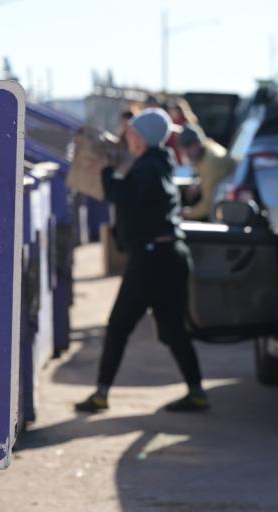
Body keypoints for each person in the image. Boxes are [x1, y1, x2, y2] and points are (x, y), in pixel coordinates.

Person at [75, 108, 208, 414]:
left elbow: (123, 195)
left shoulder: (148, 168)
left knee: (119, 325)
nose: (128, 137)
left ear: (143, 138)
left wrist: (107, 171)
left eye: (132, 133)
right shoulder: (158, 164)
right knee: (173, 329)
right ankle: (197, 392)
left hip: (152, 259)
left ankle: (101, 395)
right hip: (168, 256)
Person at [178, 124, 237, 221]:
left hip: (227, 208)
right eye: (184, 149)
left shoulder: (212, 163)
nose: (187, 153)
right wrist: (198, 185)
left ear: (198, 143)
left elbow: (208, 206)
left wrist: (186, 213)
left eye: (189, 147)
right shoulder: (207, 150)